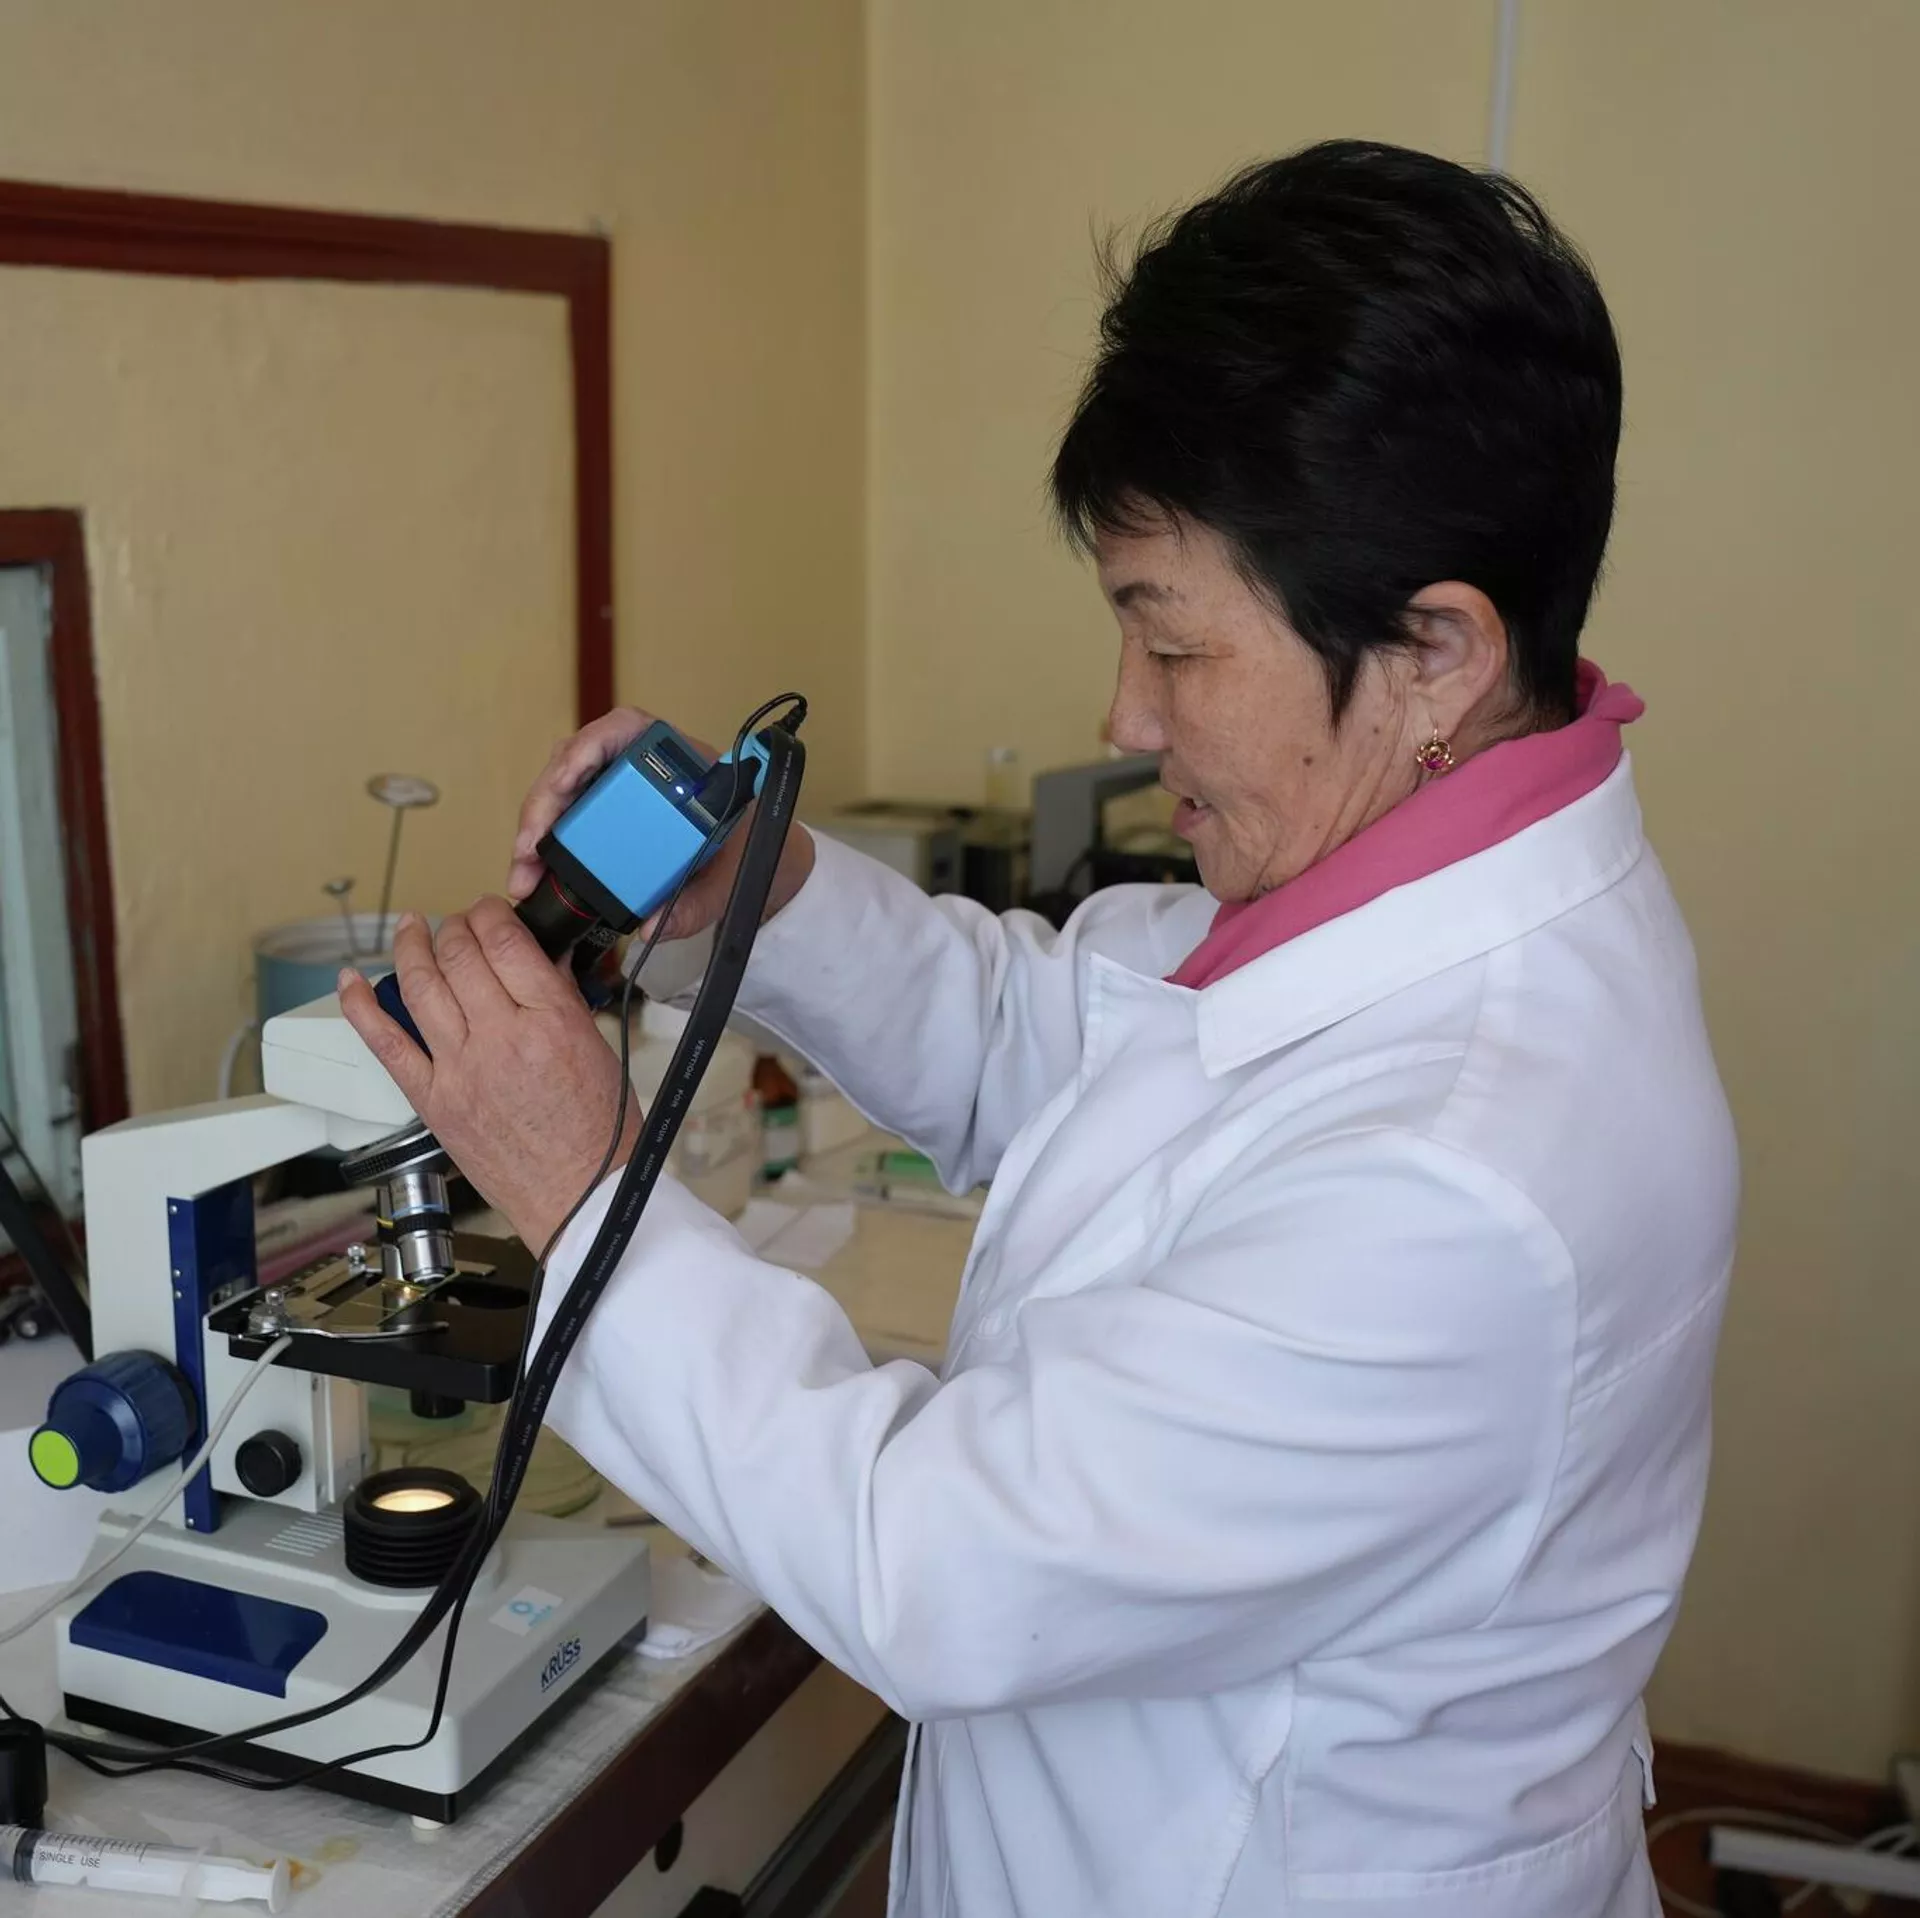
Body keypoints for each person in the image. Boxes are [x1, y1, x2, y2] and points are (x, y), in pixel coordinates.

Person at [340, 141, 1738, 1917]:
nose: (1125, 715)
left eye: (1176, 648)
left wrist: (583, 1187)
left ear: (1438, 651)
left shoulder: (1463, 1175)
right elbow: (1056, 1038)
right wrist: (761, 888)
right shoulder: (1402, 866)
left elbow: (935, 1565)